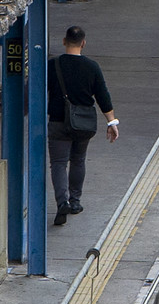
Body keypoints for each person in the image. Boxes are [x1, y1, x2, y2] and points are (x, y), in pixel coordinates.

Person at [48, 26, 118, 227]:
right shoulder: (92, 67)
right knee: (78, 160)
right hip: (84, 123)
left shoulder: (53, 65)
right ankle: (75, 201)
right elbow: (103, 96)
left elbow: (37, 89)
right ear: (83, 43)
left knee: (59, 163)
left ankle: (63, 202)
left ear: (64, 41)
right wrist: (111, 122)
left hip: (58, 121)